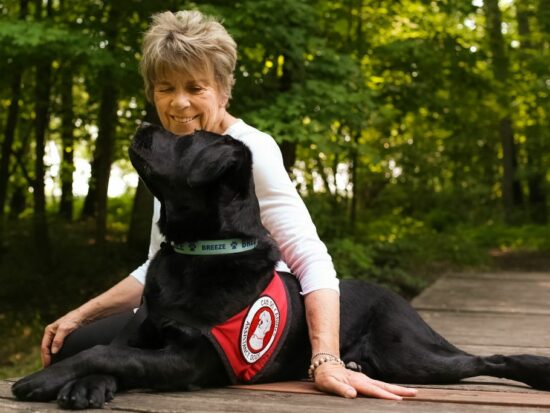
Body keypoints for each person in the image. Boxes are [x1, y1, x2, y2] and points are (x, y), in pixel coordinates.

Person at [41, 10, 417, 400]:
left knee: (94, 359)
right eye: (166, 88)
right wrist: (81, 313)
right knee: (69, 345)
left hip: (247, 325)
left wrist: (326, 358)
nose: (179, 103)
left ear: (223, 91)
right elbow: (159, 265)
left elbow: (310, 257)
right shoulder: (173, 156)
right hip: (181, 315)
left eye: (195, 87)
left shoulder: (250, 151)